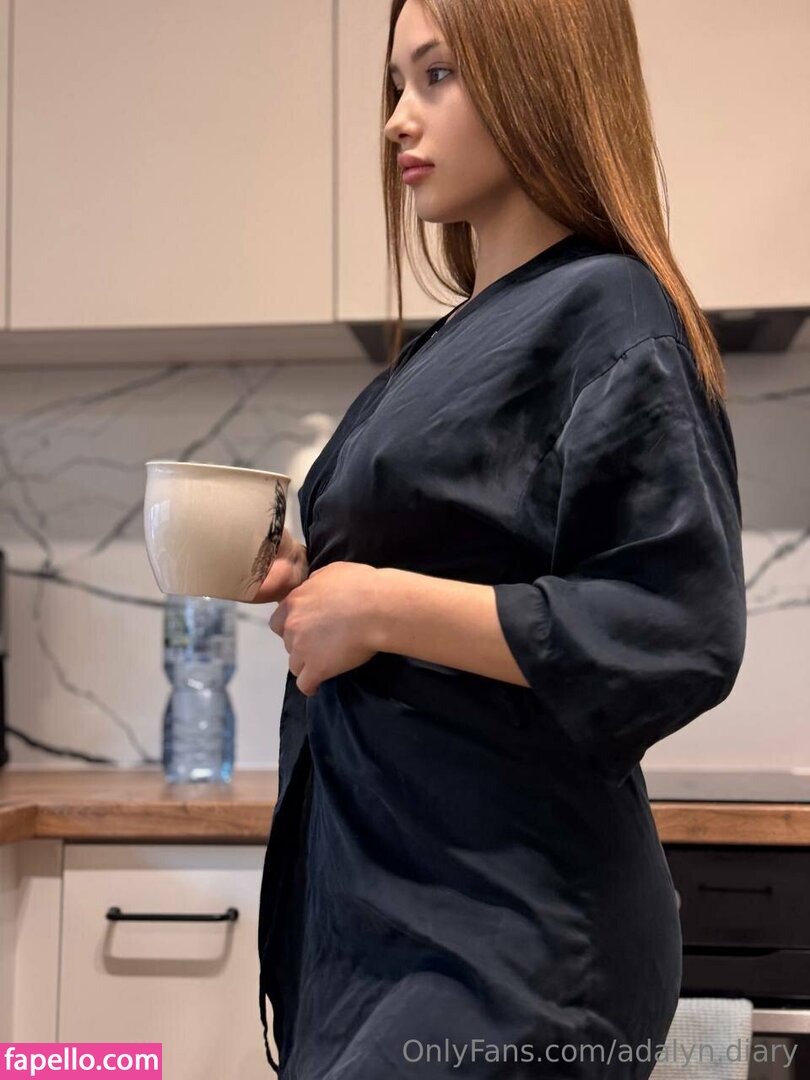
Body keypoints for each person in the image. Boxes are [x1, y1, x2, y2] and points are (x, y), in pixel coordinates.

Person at [252, 0, 747, 1075]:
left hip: (512, 945)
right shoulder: (463, 339)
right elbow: (468, 559)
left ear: (540, 82)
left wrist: (378, 605)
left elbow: (680, 629)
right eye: (397, 84)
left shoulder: (610, 308)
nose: (397, 119)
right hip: (397, 910)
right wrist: (317, 577)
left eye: (437, 77)